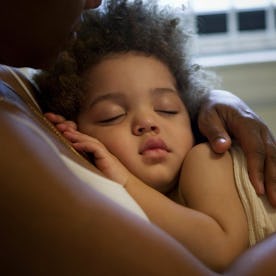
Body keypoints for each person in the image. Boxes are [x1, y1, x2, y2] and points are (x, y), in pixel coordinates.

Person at [0, 0, 276, 275]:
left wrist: (124, 179)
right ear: (77, 132)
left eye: (167, 109)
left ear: (190, 113)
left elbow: (221, 251)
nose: (148, 122)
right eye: (112, 115)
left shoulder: (206, 159)